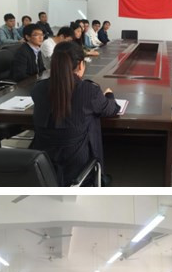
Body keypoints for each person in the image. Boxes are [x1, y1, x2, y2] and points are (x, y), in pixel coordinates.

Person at [30, 41, 120, 186]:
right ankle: (99, 176)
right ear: (80, 65)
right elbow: (111, 109)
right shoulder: (89, 91)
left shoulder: (38, 89)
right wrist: (109, 95)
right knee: (92, 119)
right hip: (77, 165)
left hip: (42, 162)